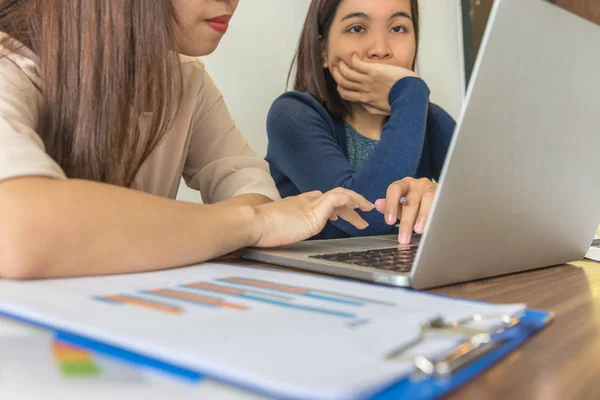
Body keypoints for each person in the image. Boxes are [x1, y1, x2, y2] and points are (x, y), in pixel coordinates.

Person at [0, 0, 374, 280]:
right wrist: (250, 222)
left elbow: (255, 194)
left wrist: (250, 218)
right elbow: (18, 228)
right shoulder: (10, 62)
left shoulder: (186, 81)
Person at [265, 0, 456, 244]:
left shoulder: (429, 120)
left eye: (397, 28)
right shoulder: (293, 114)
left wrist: (439, 198)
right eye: (357, 28)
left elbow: (496, 205)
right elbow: (364, 219)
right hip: (317, 279)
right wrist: (410, 93)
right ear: (323, 49)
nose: (380, 49)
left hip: (403, 278)